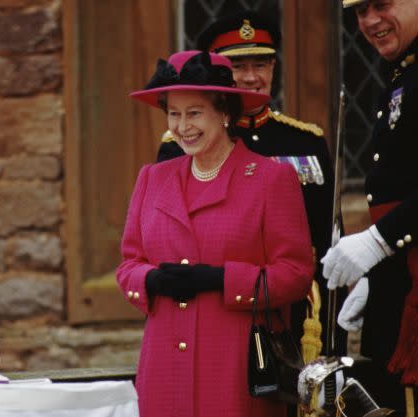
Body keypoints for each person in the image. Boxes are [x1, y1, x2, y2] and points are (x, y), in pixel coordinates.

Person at [117, 50, 314, 417]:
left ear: (225, 112)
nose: (182, 126)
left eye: (194, 113)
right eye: (173, 113)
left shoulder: (271, 178)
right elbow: (129, 265)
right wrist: (152, 279)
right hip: (164, 367)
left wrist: (222, 279)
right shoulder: (152, 178)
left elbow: (296, 274)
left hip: (235, 366)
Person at [157, 12, 346, 359]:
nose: (251, 77)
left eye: (261, 64)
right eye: (237, 67)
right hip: (222, 307)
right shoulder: (182, 143)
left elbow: (329, 239)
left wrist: (336, 318)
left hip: (300, 314)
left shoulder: (306, 140)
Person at [322, 0, 418, 414]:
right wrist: (383, 270)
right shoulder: (402, 73)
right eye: (359, 11)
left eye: (382, 4)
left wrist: (379, 242)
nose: (370, 21)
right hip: (404, 272)